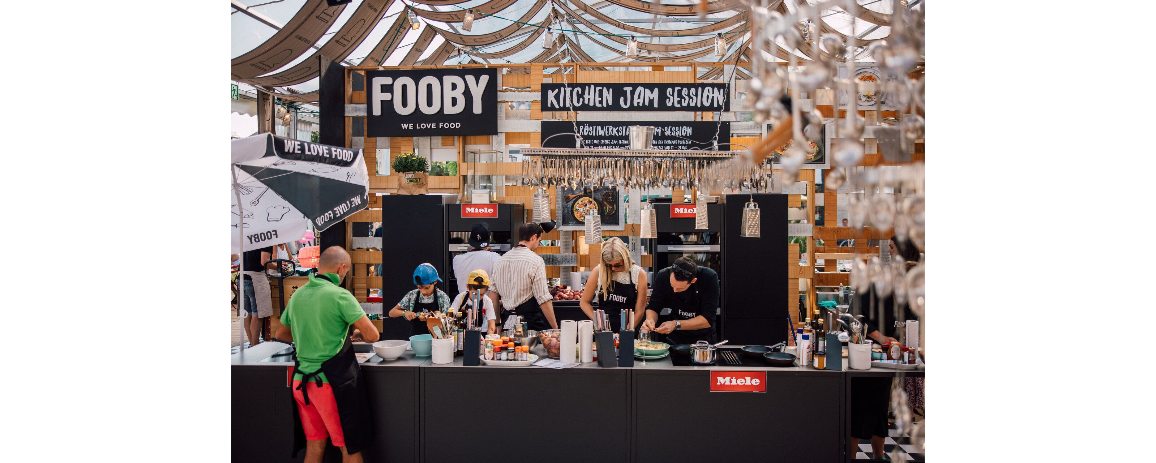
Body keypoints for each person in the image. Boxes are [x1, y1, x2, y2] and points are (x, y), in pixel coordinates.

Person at [275, 246, 378, 463]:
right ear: (342, 268)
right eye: (346, 272)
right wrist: (356, 333)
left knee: (314, 445)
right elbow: (372, 335)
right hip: (330, 384)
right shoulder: (340, 295)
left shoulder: (298, 294)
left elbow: (281, 333)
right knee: (349, 448)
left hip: (301, 383)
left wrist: (309, 336)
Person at [849, 236, 921, 460]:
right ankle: (850, 456)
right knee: (859, 407)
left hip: (890, 360)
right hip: (865, 356)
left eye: (892, 247)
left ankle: (879, 455)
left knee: (880, 407)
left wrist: (910, 342)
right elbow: (853, 316)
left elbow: (913, 319)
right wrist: (880, 337)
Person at [489, 221, 559, 331]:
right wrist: (555, 328)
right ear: (533, 237)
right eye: (539, 241)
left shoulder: (500, 261)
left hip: (507, 323)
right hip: (530, 324)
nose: (538, 244)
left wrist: (497, 323)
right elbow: (543, 298)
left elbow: (493, 296)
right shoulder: (535, 261)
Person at [640, 255, 720, 345]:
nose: (674, 290)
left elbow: (708, 319)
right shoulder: (663, 276)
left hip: (703, 341)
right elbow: (653, 307)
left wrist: (676, 324)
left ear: (693, 281)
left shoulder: (709, 277)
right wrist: (650, 320)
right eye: (672, 286)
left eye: (680, 288)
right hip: (676, 339)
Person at [578, 237, 647, 332]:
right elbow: (584, 302)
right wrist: (599, 322)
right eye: (609, 265)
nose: (613, 268)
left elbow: (639, 311)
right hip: (603, 331)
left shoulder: (638, 274)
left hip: (628, 329)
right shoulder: (599, 271)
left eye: (617, 265)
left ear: (625, 258)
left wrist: (626, 331)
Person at [387, 263, 451, 336]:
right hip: (416, 337)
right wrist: (405, 313)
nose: (423, 291)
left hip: (437, 337)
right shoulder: (412, 295)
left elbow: (447, 321)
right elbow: (391, 313)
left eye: (427, 288)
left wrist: (433, 318)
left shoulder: (442, 297)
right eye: (420, 288)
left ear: (435, 282)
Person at [452, 222, 502, 298]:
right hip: (486, 304)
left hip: (463, 303)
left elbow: (474, 257)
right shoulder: (495, 258)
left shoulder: (457, 260)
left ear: (470, 239)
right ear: (490, 238)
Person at [240, 245, 275, 346]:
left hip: (242, 276)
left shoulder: (247, 237)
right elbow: (264, 262)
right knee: (258, 313)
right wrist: (279, 266)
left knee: (247, 313)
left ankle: (252, 343)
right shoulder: (266, 239)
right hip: (255, 278)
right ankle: (255, 344)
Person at [449, 269, 498, 334]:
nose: (477, 297)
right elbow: (450, 317)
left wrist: (489, 336)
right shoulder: (461, 298)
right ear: (467, 287)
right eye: (474, 294)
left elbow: (491, 323)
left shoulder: (487, 301)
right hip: (459, 334)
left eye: (481, 294)